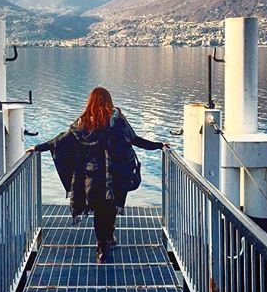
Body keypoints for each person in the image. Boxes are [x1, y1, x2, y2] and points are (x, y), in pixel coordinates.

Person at [27, 87, 169, 263]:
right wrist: (158, 145)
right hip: (114, 175)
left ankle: (102, 246)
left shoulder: (83, 123)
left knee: (99, 210)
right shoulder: (117, 122)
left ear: (90, 102)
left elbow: (61, 140)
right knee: (109, 209)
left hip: (91, 176)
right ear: (109, 101)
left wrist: (38, 147)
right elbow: (134, 139)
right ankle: (107, 239)